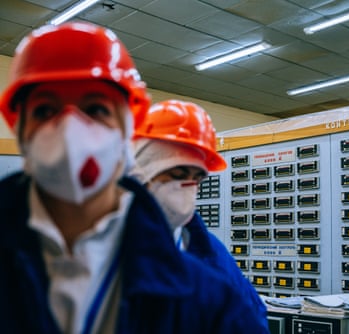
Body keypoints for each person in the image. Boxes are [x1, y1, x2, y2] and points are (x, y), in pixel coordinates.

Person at [0, 22, 269, 333]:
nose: (71, 130)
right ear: (18, 127)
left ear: (128, 128)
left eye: (95, 109)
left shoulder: (211, 297)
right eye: (46, 110)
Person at [131, 99, 268, 330]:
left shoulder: (212, 252)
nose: (189, 186)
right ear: (142, 174)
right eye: (178, 174)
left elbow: (251, 318)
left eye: (197, 178)